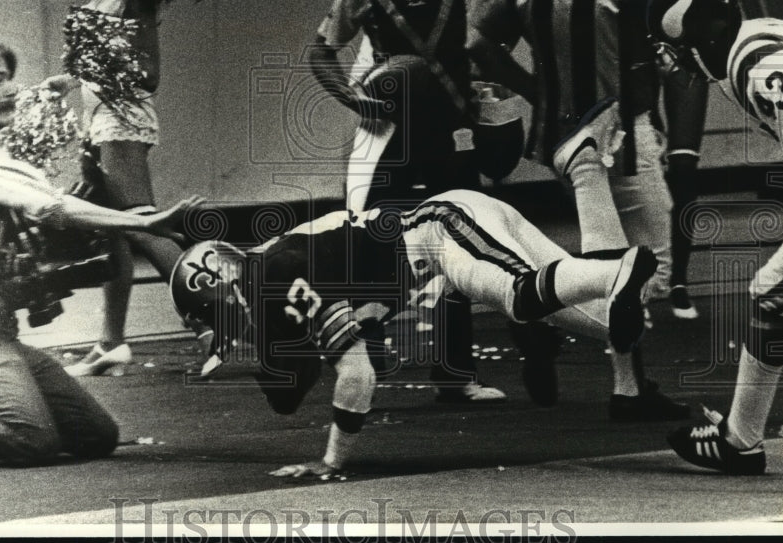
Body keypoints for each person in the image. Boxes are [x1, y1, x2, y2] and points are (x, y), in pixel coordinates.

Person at [171, 101, 666, 477]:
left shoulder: (277, 276)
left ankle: (614, 270)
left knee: (523, 296)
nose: (231, 336)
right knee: (613, 323)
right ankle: (586, 174)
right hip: (446, 234)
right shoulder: (273, 270)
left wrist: (331, 460)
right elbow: (293, 388)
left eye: (221, 323)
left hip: (440, 231)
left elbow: (358, 374)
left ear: (222, 288)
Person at [0, 38, 201, 468]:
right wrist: (142, 222)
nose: (12, 89)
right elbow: (52, 204)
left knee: (96, 436)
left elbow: (25, 143)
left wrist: (53, 90)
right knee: (32, 438)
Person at [309, 0, 522, 404]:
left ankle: (454, 375)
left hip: (453, 128)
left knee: (460, 245)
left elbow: (503, 33)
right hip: (392, 133)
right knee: (377, 242)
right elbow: (319, 53)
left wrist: (499, 97)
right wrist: (355, 98)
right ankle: (367, 363)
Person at [491, 0, 705, 367]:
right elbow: (687, 29)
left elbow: (480, 41)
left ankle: (622, 380)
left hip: (560, 138)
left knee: (612, 260)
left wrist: (537, 90)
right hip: (620, 138)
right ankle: (537, 307)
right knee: (650, 266)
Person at [648, 0, 783, 476]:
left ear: (701, 34)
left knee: (777, 295)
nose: (671, 60)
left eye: (673, 46)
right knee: (770, 296)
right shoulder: (757, 38)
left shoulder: (760, 67)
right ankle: (739, 442)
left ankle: (740, 442)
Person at [58, 0, 220, 376]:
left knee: (144, 226)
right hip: (102, 121)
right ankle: (111, 342)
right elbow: (94, 68)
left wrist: (94, 65)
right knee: (115, 234)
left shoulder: (134, 0)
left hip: (121, 122)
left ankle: (216, 317)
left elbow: (147, 74)